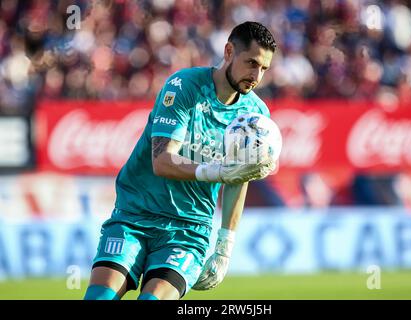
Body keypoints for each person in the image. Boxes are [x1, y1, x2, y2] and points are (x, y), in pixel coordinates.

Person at [84, 21, 277, 300]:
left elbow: (238, 177)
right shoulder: (184, 86)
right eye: (251, 63)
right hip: (135, 216)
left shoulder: (255, 114)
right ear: (228, 51)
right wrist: (218, 172)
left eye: (264, 69)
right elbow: (162, 162)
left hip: (188, 231)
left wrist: (225, 246)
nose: (256, 75)